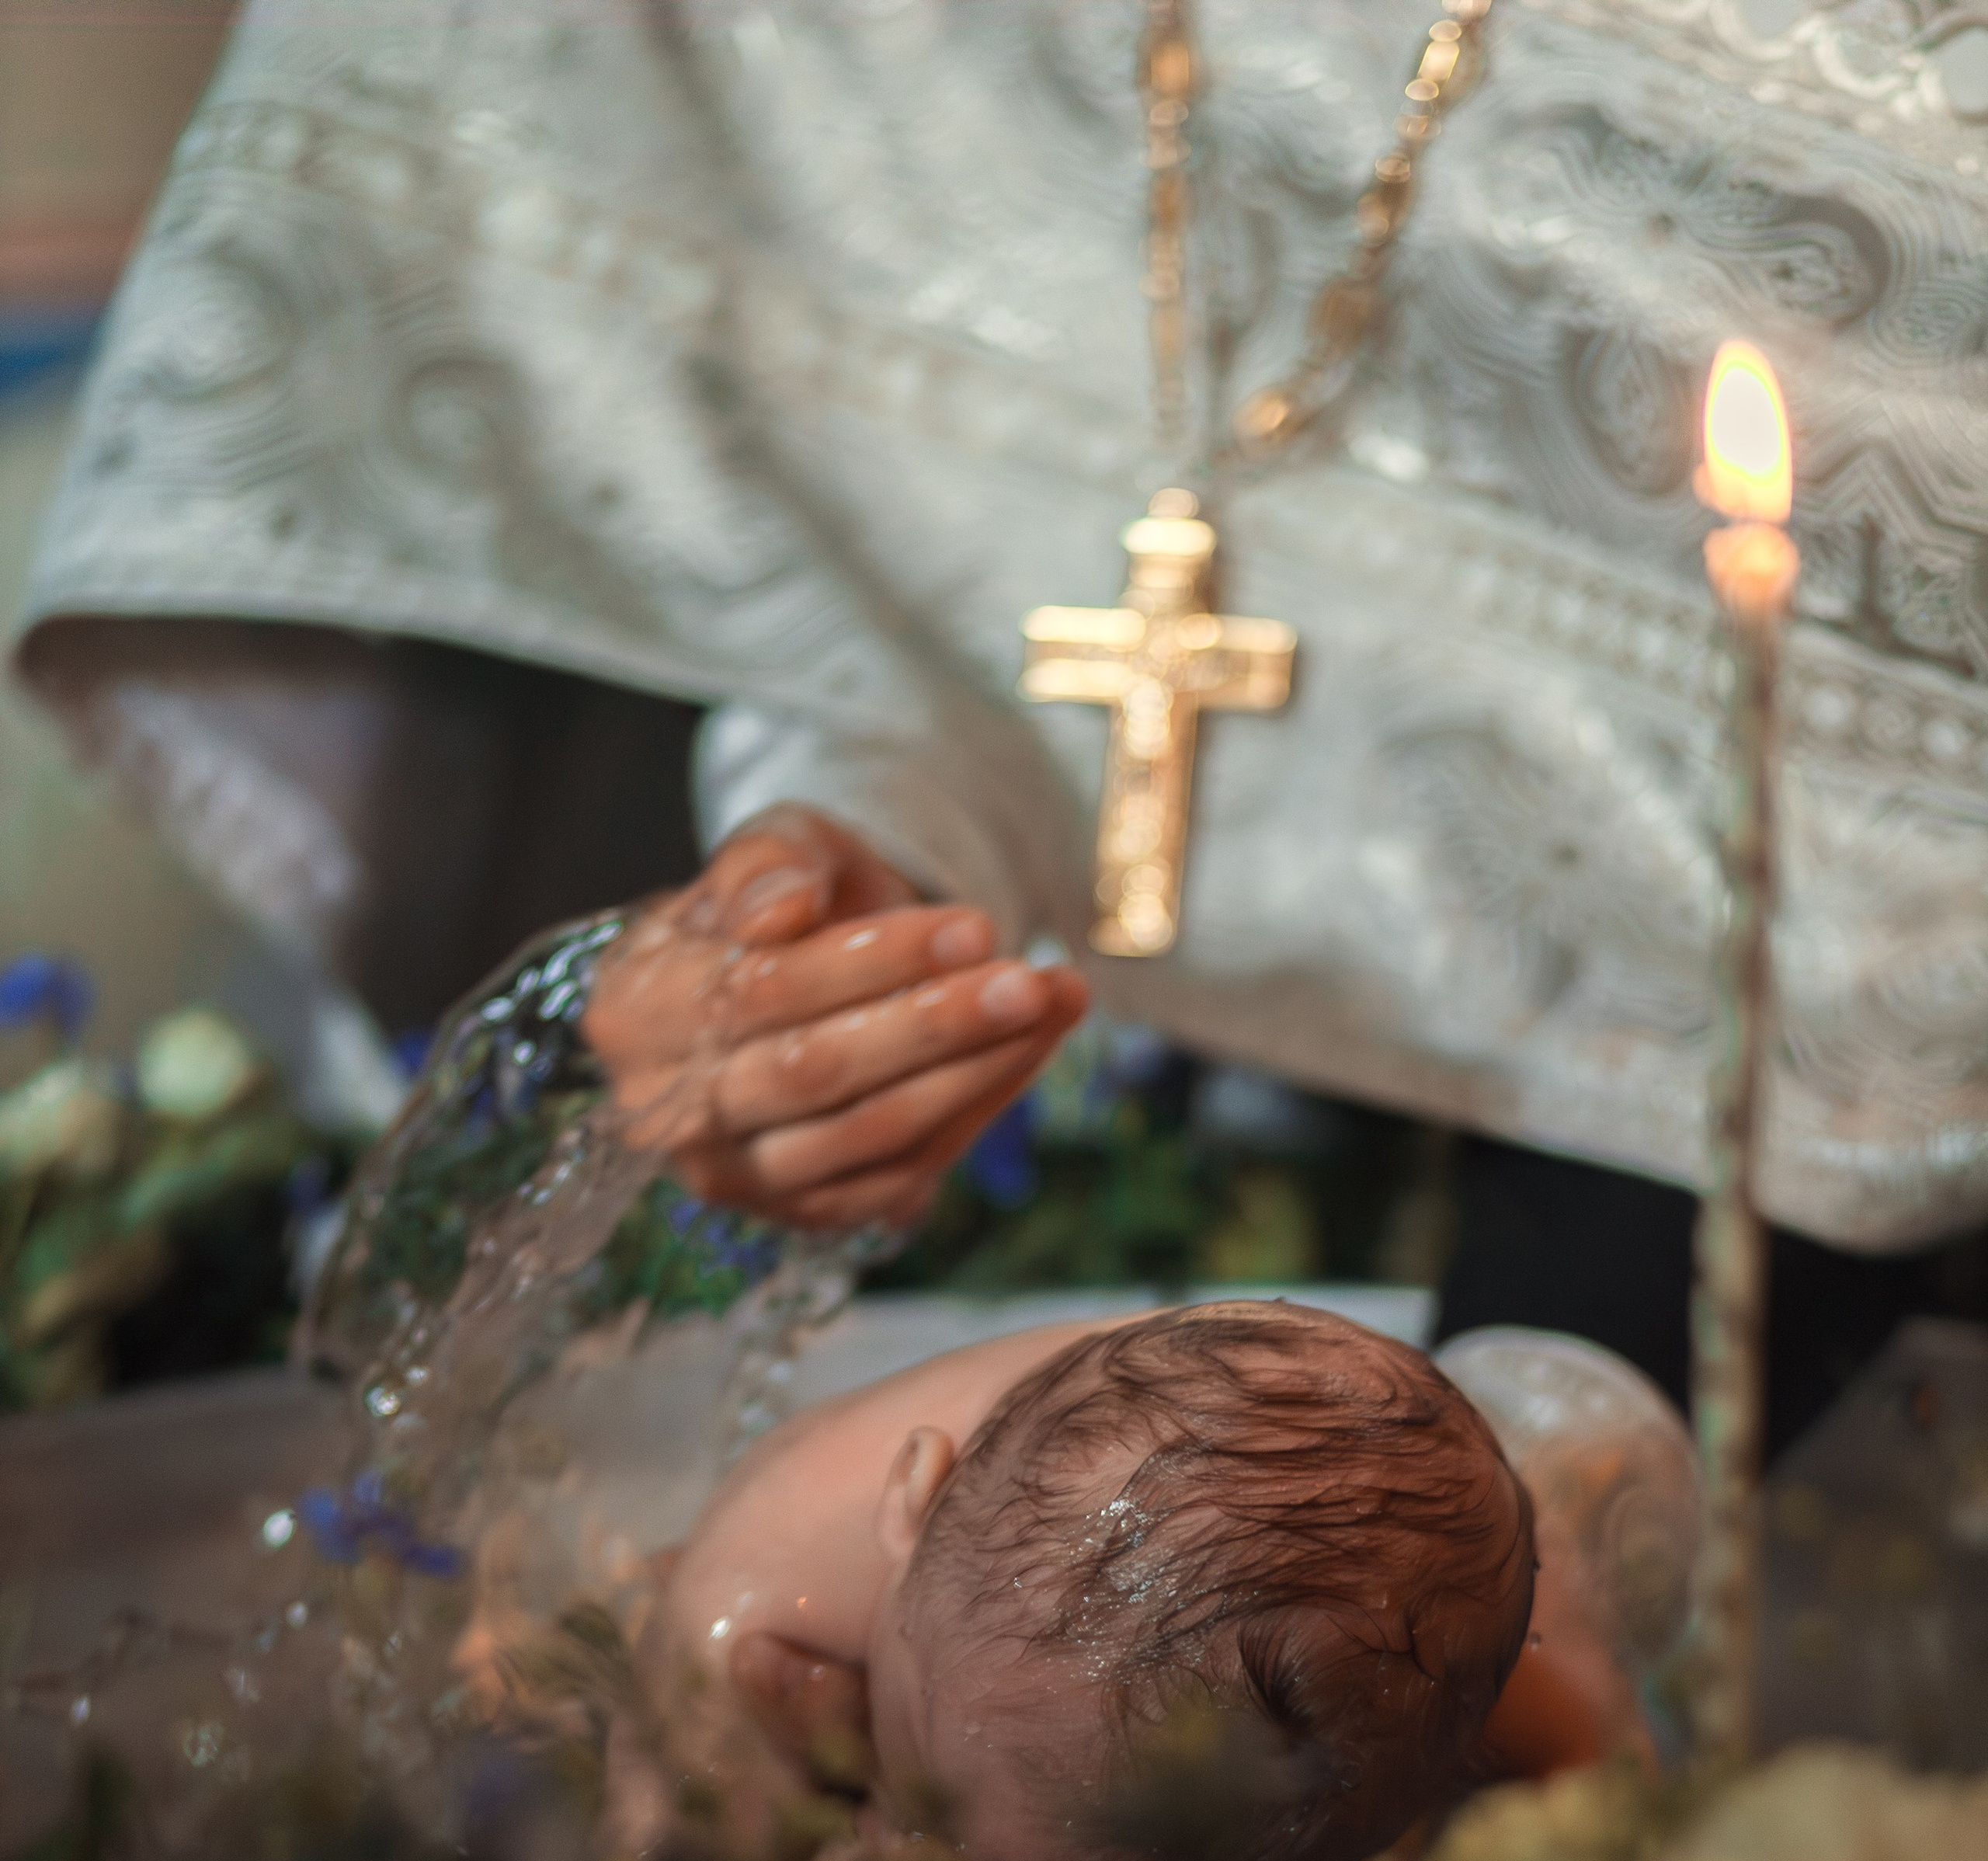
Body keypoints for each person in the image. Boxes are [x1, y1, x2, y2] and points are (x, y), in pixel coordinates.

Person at [16, 2, 1988, 1438]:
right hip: (988, 1212)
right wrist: (812, 891)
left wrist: (1555, 1473)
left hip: (1734, 1268)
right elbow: (769, 488)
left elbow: (1878, 793)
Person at [471, 1295, 1682, 1861]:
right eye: (914, 1785)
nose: (908, 1825)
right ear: (913, 1503)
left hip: (1439, 1534)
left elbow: (1611, 1799)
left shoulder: (1487, 1655)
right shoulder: (771, 1568)